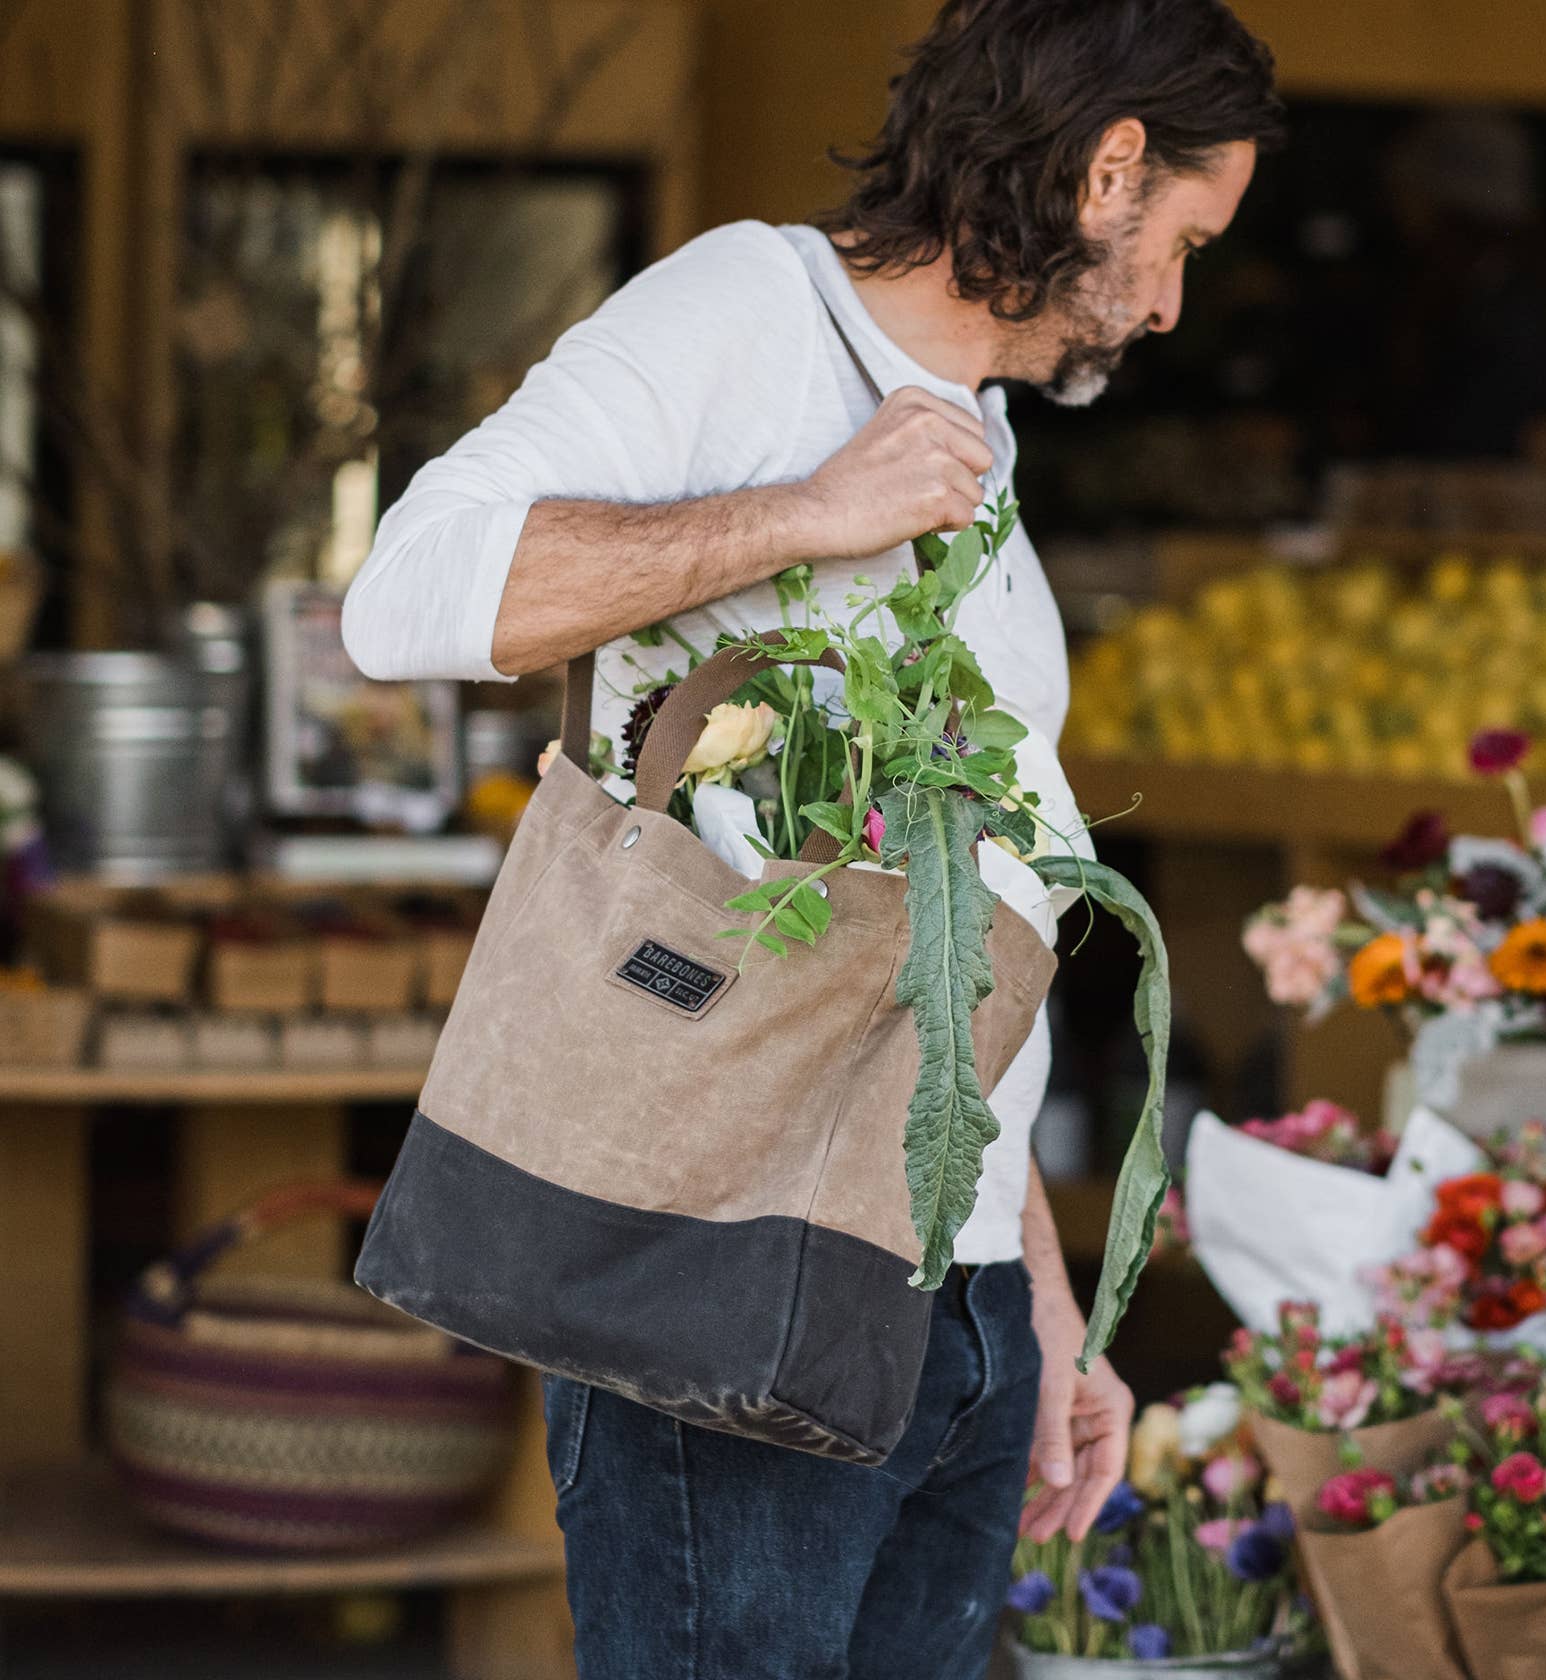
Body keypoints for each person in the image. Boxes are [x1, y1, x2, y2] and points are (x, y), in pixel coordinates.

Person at [342, 2, 1281, 1672]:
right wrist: (806, 514)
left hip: (958, 1305)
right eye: (1184, 243)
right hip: (723, 1260)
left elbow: (963, 922)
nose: (1169, 304)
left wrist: (1043, 1310)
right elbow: (403, 597)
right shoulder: (747, 311)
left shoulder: (978, 436)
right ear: (1110, 170)